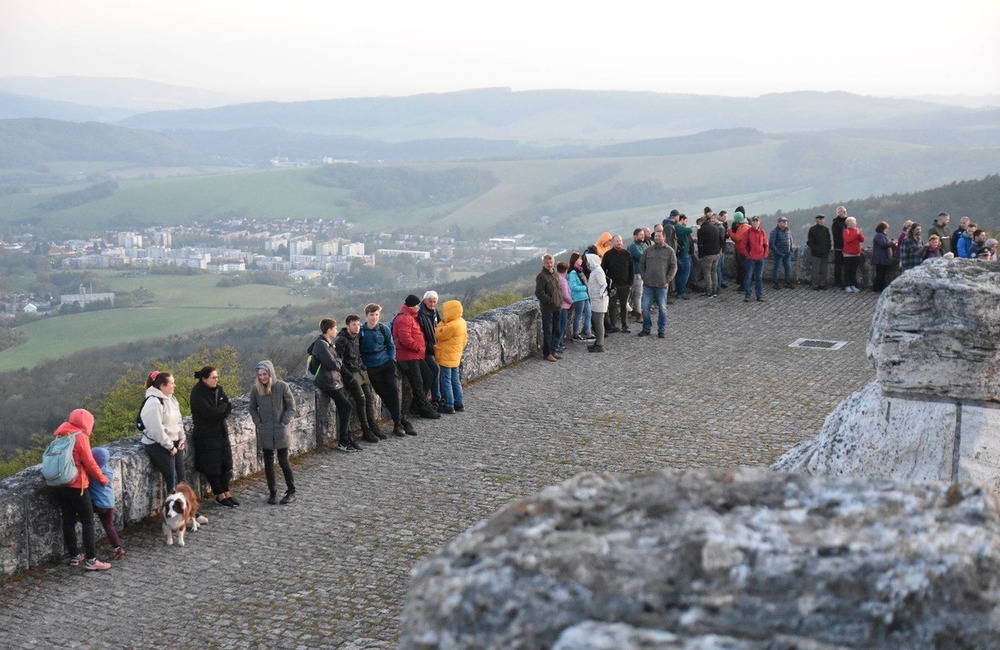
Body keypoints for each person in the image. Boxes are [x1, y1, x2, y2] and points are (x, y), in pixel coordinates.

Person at [49, 408, 111, 570]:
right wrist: (103, 479)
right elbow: (89, 463)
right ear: (87, 422)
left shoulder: (60, 434)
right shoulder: (80, 437)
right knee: (88, 521)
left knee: (68, 519)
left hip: (59, 484)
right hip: (77, 485)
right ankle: (91, 560)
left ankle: (74, 556)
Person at [359, 303, 416, 436]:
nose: (374, 318)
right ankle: (402, 422)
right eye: (371, 315)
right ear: (366, 315)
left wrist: (392, 360)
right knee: (384, 395)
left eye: (376, 315)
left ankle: (398, 424)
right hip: (371, 367)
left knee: (394, 392)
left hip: (386, 364)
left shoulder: (383, 329)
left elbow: (391, 346)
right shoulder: (361, 332)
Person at [249, 360, 298, 503]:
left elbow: (291, 407)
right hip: (265, 431)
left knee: (283, 461)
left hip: (281, 430)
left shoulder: (282, 386)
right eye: (260, 375)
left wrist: (283, 422)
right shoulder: (256, 389)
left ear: (270, 373)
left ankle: (291, 491)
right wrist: (259, 423)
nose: (262, 377)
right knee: (268, 462)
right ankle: (272, 492)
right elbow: (252, 408)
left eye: (265, 374)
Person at [190, 365, 237, 507]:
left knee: (224, 464)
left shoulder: (218, 389)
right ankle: (219, 494)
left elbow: (228, 406)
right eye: (213, 377)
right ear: (204, 379)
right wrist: (220, 410)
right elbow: (210, 413)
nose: (216, 380)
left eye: (217, 377)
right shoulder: (198, 393)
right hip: (206, 435)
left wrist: (220, 410)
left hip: (220, 432)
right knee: (212, 466)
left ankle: (226, 491)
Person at [310, 319, 360, 452]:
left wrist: (337, 361)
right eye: (335, 328)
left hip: (334, 380)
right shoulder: (321, 345)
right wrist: (339, 360)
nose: (337, 330)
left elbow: (336, 363)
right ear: (329, 330)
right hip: (327, 382)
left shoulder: (328, 343)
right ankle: (343, 441)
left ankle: (347, 438)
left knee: (345, 406)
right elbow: (333, 364)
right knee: (346, 406)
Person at [336, 315, 384, 443]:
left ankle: (373, 426)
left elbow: (358, 355)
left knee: (370, 398)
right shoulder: (341, 340)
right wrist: (349, 376)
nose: (357, 327)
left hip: (360, 371)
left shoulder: (356, 337)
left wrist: (363, 368)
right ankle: (366, 430)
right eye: (353, 324)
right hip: (351, 374)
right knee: (361, 400)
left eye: (358, 324)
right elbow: (339, 362)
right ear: (347, 326)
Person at [393, 295, 442, 417]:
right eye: (417, 306)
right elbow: (405, 339)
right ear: (412, 306)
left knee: (428, 376)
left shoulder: (410, 316)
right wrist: (418, 347)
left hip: (416, 355)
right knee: (418, 382)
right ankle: (423, 408)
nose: (419, 308)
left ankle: (417, 405)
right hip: (408, 356)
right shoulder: (405, 318)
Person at [140, 370, 185, 494]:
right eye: (172, 383)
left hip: (175, 442)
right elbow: (156, 430)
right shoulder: (153, 402)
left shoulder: (172, 399)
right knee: (172, 481)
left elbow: (178, 421)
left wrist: (181, 438)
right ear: (162, 386)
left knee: (181, 479)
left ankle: (186, 510)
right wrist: (170, 446)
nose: (174, 385)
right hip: (158, 445)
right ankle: (174, 511)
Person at [637, 229, 677, 338]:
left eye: (659, 236)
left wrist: (667, 279)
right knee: (645, 308)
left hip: (662, 285)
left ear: (664, 237)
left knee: (662, 309)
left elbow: (674, 267)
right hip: (648, 284)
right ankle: (646, 328)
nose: (657, 238)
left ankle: (661, 330)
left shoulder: (669, 251)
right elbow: (641, 264)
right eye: (655, 237)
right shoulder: (648, 250)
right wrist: (644, 277)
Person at [89, 446, 125, 560]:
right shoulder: (108, 469)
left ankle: (77, 516)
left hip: (98, 504)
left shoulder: (92, 472)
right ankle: (117, 548)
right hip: (110, 503)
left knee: (83, 509)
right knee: (109, 525)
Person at [434, 300, 468, 414]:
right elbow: (465, 340)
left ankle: (449, 405)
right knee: (455, 380)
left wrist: (441, 323)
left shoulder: (451, 325)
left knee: (446, 380)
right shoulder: (462, 322)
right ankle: (459, 403)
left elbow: (439, 334)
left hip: (446, 356)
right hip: (456, 355)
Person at [601, 235, 633, 333]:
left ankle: (625, 325)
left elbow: (631, 269)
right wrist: (607, 284)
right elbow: (603, 270)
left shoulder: (627, 254)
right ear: (612, 242)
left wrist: (630, 283)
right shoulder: (607, 255)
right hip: (613, 285)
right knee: (612, 306)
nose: (619, 242)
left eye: (620, 241)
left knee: (624, 306)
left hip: (625, 285)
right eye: (617, 241)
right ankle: (613, 325)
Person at [417, 291, 443, 409]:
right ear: (424, 300)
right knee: (435, 369)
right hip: (426, 349)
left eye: (434, 302)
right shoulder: (420, 313)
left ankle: (436, 397)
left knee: (435, 370)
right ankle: (435, 398)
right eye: (430, 301)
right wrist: (429, 346)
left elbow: (439, 325)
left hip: (433, 347)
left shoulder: (433, 312)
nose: (432, 304)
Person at [535, 254, 563, 361]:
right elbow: (539, 293)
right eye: (547, 263)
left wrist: (560, 300)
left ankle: (553, 350)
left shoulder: (555, 274)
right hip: (548, 308)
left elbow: (558, 289)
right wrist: (550, 301)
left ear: (554, 263)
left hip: (557, 306)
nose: (549, 264)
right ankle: (547, 353)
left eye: (551, 262)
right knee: (548, 331)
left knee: (557, 329)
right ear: (543, 263)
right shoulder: (541, 276)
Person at [741, 216, 769, 302]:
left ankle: (759, 295)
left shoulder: (762, 232)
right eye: (754, 221)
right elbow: (743, 245)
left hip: (760, 258)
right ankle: (747, 295)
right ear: (751, 222)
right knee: (748, 277)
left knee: (759, 277)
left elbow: (766, 244)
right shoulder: (747, 232)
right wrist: (747, 255)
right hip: (750, 258)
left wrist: (765, 255)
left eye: (757, 221)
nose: (755, 223)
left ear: (759, 222)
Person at [585, 252, 609, 352]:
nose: (586, 263)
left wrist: (600, 294)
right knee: (596, 321)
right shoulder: (594, 271)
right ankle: (598, 342)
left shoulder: (598, 271)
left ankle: (600, 344)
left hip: (599, 300)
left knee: (598, 322)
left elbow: (603, 284)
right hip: (595, 300)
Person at [567, 252, 592, 341]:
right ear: (575, 260)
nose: (581, 260)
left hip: (584, 296)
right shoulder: (573, 273)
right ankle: (576, 334)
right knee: (578, 315)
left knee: (588, 314)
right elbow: (573, 286)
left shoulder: (579, 270)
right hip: (578, 297)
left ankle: (588, 333)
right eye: (580, 259)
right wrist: (584, 287)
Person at [697, 212, 722, 298]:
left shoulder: (701, 230)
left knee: (707, 273)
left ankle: (709, 291)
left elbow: (700, 245)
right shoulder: (715, 228)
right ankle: (715, 291)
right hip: (716, 253)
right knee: (714, 272)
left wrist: (700, 256)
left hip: (707, 254)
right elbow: (720, 240)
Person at [806, 214, 832, 290]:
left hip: (825, 253)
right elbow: (810, 242)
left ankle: (822, 284)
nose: (821, 221)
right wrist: (817, 250)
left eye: (822, 219)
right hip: (816, 254)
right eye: (820, 219)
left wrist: (828, 249)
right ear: (816, 220)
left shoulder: (826, 229)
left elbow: (829, 241)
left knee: (824, 270)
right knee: (815, 270)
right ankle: (815, 285)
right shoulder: (812, 229)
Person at [627, 228, 648, 320]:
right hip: (637, 273)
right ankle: (638, 313)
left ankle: (639, 310)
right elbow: (642, 257)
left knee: (642, 293)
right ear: (635, 236)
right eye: (640, 234)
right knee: (638, 294)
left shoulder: (643, 244)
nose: (643, 236)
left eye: (643, 234)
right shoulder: (633, 247)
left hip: (644, 272)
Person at [769, 216, 794, 289]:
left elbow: (791, 239)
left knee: (788, 268)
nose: (785, 223)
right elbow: (771, 244)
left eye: (786, 222)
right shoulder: (774, 231)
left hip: (787, 252)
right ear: (779, 222)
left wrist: (791, 249)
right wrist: (777, 252)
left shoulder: (788, 230)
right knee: (777, 268)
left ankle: (788, 282)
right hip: (779, 253)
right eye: (783, 222)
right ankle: (775, 283)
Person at [871, 221, 897, 293]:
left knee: (882, 274)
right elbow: (884, 244)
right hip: (880, 258)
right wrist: (892, 243)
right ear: (883, 228)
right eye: (886, 228)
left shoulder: (882, 235)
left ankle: (878, 288)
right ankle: (876, 288)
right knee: (880, 274)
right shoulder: (879, 235)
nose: (887, 230)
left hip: (882, 258)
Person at [842, 217, 865, 292]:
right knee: (847, 270)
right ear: (849, 223)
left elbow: (862, 240)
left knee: (853, 271)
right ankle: (847, 285)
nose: (855, 223)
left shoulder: (856, 230)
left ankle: (853, 285)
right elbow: (847, 240)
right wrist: (856, 234)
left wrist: (859, 234)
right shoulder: (846, 231)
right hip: (848, 254)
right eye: (854, 222)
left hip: (856, 253)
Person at [674, 213, 694, 300]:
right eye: (685, 221)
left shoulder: (676, 227)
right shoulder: (678, 227)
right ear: (681, 220)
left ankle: (680, 291)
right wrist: (694, 226)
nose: (685, 223)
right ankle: (681, 292)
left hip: (680, 254)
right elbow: (689, 230)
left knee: (680, 274)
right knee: (684, 273)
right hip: (683, 254)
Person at [554, 261, 572, 353]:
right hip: (563, 305)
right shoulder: (563, 280)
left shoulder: (556, 277)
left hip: (557, 304)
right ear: (566, 270)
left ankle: (559, 343)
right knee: (562, 326)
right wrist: (571, 301)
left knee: (558, 325)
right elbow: (565, 294)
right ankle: (558, 344)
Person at [729, 211, 749, 291]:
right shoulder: (744, 226)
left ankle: (744, 286)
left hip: (742, 251)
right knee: (742, 269)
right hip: (741, 250)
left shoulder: (744, 227)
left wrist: (729, 231)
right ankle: (743, 285)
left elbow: (737, 237)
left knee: (743, 269)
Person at [831, 206, 849, 288]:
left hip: (847, 248)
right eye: (843, 211)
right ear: (838, 213)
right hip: (839, 248)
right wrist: (845, 243)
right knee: (838, 266)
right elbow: (836, 236)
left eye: (845, 211)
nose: (845, 212)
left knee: (846, 266)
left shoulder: (847, 221)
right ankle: (838, 282)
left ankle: (846, 282)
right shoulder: (836, 223)